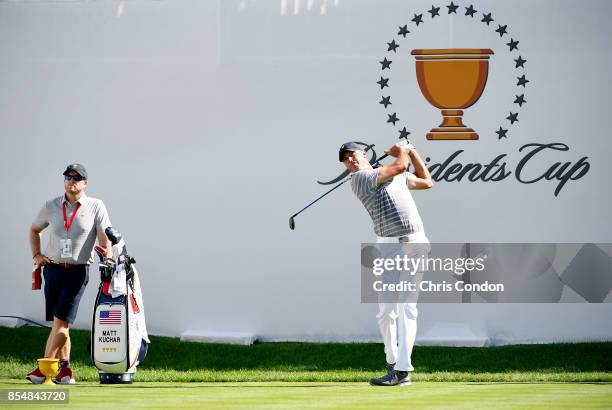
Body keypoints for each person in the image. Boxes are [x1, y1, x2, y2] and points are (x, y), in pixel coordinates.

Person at [339, 140, 433, 387]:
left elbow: (427, 182)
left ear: (364, 153)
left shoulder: (394, 174)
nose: (350, 160)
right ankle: (392, 362)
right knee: (385, 312)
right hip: (388, 246)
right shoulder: (359, 179)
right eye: (345, 159)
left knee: (407, 307)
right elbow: (399, 166)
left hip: (415, 243)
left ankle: (403, 371)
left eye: (352, 155)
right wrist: (402, 152)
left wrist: (412, 151)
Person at [26, 163, 112, 384]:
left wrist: (108, 259)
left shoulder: (95, 206)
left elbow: (104, 238)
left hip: (77, 272)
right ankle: (66, 371)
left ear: (85, 183)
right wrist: (37, 255)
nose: (71, 181)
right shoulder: (51, 205)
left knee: (61, 323)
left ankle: (43, 368)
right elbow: (35, 230)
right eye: (68, 177)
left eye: (76, 178)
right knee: (59, 323)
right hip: (53, 270)